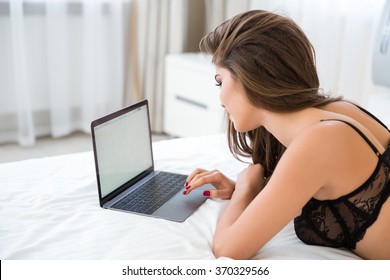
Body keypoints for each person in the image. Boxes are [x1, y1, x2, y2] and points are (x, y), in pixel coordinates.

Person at [182, 10, 390, 260]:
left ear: (249, 76)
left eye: (220, 81)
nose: (221, 101)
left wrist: (246, 190)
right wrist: (245, 189)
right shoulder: (334, 111)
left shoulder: (320, 141)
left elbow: (228, 251)